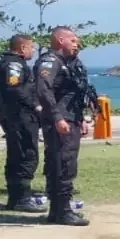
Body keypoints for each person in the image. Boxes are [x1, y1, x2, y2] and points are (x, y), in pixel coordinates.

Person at [34, 26, 91, 226]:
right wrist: (58, 117)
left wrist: (81, 117)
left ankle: (58, 210)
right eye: (73, 40)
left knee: (62, 162)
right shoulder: (50, 62)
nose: (77, 44)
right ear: (60, 40)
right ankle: (62, 211)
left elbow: (73, 94)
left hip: (70, 118)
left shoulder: (68, 64)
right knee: (63, 163)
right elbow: (43, 90)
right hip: (59, 121)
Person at [0, 33, 45, 213]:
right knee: (26, 154)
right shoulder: (14, 65)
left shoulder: (11, 63)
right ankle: (21, 198)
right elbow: (14, 88)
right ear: (23, 47)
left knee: (19, 154)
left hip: (17, 116)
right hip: (20, 116)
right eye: (31, 47)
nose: (33, 50)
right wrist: (35, 105)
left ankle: (16, 197)